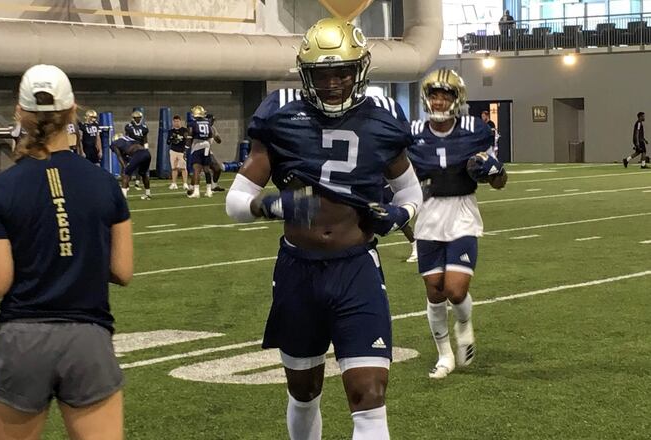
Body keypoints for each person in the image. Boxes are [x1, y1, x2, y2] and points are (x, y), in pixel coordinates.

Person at [225, 18, 422, 440]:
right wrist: (273, 205)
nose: (332, 83)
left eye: (342, 72)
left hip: (356, 269)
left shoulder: (384, 117)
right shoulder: (280, 114)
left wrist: (400, 216)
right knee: (304, 390)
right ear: (305, 74)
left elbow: (410, 192)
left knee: (368, 393)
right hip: (299, 270)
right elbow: (235, 202)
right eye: (321, 74)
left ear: (360, 70)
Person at [0, 64, 133, 440]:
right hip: (89, 337)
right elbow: (123, 270)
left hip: (23, 339)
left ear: (19, 112)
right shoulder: (105, 183)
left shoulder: (2, 189)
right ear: (73, 111)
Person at [408, 68, 508, 380]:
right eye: (434, 95)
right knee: (435, 292)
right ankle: (444, 355)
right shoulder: (411, 132)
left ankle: (464, 325)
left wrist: (495, 169)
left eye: (445, 95)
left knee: (454, 288)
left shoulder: (473, 130)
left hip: (462, 213)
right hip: (428, 215)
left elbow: (499, 182)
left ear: (456, 98)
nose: (438, 101)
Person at [187, 105, 221, 198]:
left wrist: (186, 148)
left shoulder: (193, 124)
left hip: (197, 146)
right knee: (207, 169)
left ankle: (196, 191)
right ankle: (209, 191)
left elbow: (190, 137)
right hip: (207, 146)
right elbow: (211, 135)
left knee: (196, 170)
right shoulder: (208, 124)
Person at [110, 134, 152, 200]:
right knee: (143, 174)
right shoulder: (129, 139)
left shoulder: (115, 143)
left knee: (125, 173)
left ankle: (123, 197)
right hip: (147, 153)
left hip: (138, 154)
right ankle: (148, 194)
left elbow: (119, 156)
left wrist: (124, 167)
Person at [167, 115, 189, 190]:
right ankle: (174, 183)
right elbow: (168, 142)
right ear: (173, 122)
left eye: (178, 121)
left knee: (183, 168)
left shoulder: (184, 130)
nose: (176, 123)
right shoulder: (171, 131)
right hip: (173, 150)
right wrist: (172, 139)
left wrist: (180, 139)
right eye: (175, 121)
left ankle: (185, 183)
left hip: (181, 151)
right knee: (174, 168)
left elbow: (186, 139)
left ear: (180, 121)